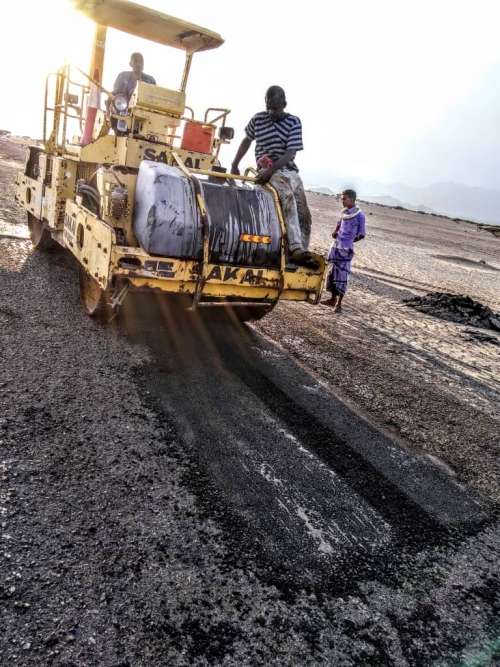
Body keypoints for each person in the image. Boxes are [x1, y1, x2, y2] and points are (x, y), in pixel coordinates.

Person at [231, 86, 318, 269]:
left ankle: (301, 253)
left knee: (304, 214)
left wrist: (272, 170)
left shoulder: (293, 122)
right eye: (269, 107)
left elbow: (290, 152)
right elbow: (247, 140)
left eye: (276, 108)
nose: (272, 112)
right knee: (287, 197)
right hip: (267, 170)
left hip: (288, 170)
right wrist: (235, 163)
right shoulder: (258, 119)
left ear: (284, 104)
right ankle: (295, 248)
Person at [322, 189, 366, 312]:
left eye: (344, 199)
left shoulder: (360, 216)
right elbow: (339, 225)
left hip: (346, 249)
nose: (342, 201)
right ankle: (332, 299)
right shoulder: (344, 213)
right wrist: (335, 232)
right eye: (342, 199)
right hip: (336, 246)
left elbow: (362, 234)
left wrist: (349, 241)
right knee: (333, 272)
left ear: (351, 199)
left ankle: (339, 304)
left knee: (343, 274)